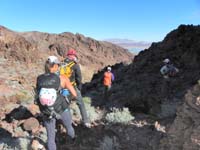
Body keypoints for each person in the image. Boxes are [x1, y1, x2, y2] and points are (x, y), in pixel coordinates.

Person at [35, 56, 77, 150]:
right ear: (54, 66)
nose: (58, 66)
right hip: (61, 108)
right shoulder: (63, 78)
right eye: (58, 65)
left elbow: (38, 94)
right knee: (68, 126)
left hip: (46, 111)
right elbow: (74, 94)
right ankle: (73, 140)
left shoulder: (40, 79)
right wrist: (66, 98)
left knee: (50, 137)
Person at [60, 49, 91, 128]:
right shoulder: (75, 64)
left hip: (64, 88)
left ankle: (68, 123)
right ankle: (86, 121)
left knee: (66, 105)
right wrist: (79, 88)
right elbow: (79, 77)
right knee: (81, 103)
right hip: (73, 87)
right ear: (73, 56)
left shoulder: (62, 63)